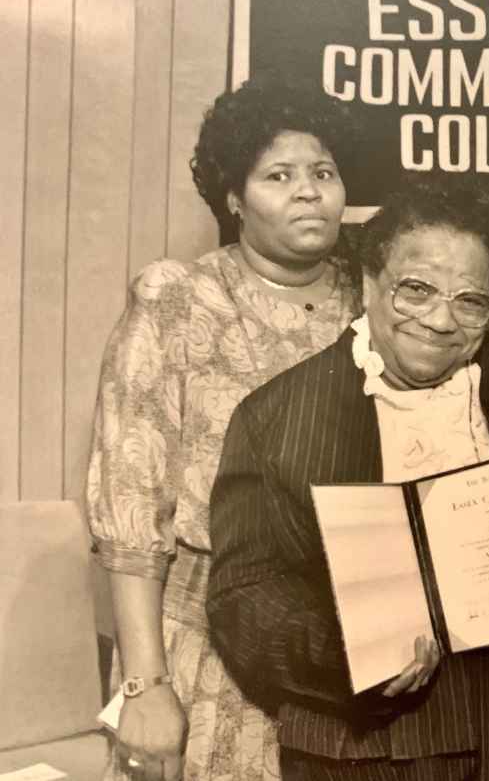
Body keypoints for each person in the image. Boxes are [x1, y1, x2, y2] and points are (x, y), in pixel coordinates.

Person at [205, 179, 489, 781]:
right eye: (417, 290)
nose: (440, 320)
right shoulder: (274, 418)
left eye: (470, 300)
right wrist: (349, 648)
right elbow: (241, 597)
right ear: (370, 286)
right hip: (364, 748)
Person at [85, 76, 361, 781]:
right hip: (202, 652)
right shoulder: (175, 299)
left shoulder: (375, 303)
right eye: (280, 175)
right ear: (234, 199)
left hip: (343, 649)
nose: (309, 191)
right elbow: (130, 501)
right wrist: (145, 687)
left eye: (323, 173)